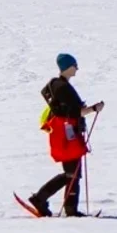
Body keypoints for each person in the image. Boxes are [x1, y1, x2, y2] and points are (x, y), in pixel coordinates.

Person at [26, 54, 104, 217]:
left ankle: (65, 207)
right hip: (69, 136)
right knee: (72, 173)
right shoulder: (63, 87)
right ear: (68, 67)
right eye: (75, 65)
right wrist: (95, 108)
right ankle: (42, 199)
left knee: (72, 173)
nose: (77, 68)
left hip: (62, 134)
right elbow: (77, 112)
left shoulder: (56, 86)